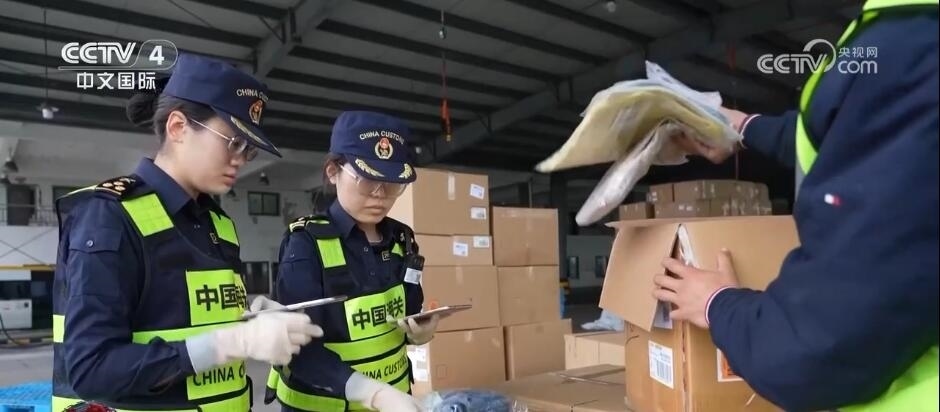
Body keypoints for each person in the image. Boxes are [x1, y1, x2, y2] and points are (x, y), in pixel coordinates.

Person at [657, 1, 938, 411]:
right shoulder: (908, 30)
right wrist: (742, 128)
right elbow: (850, 134)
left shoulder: (913, 40)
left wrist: (718, 304)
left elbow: (818, 352)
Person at [51, 54, 323, 412]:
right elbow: (91, 369)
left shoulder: (217, 224)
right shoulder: (110, 216)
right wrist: (232, 341)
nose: (240, 159)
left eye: (249, 150)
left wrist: (248, 317)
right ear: (178, 127)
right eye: (233, 142)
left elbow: (186, 318)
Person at [264, 111, 435, 412]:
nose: (380, 195)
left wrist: (419, 332)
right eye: (367, 180)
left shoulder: (402, 239)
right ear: (333, 171)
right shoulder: (306, 244)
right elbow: (298, 349)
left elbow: (408, 310)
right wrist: (374, 393)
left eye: (392, 183)